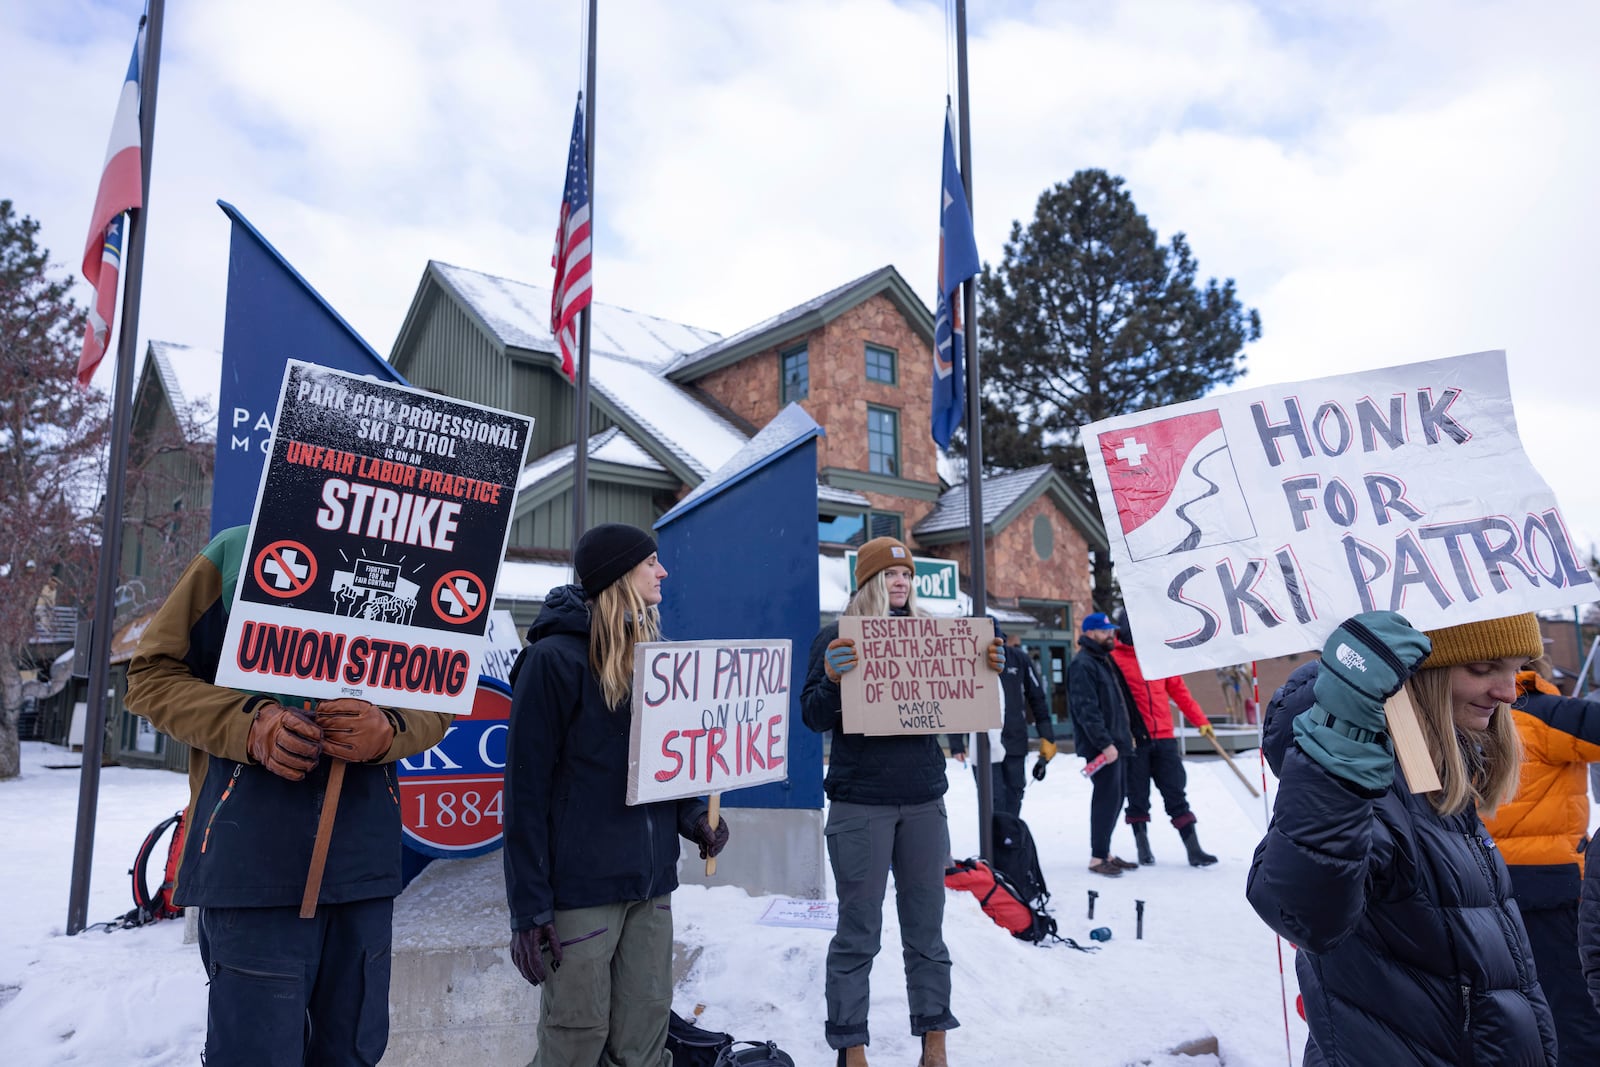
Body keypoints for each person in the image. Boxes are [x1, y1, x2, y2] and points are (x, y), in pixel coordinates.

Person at [124, 525, 453, 1066]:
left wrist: (392, 728)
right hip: (252, 862)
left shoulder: (418, 562)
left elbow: (443, 690)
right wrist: (249, 724)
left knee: (353, 1051)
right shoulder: (236, 551)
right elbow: (151, 676)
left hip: (362, 870)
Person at [1247, 611, 1557, 1065]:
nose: (1509, 692)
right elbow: (1304, 911)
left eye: (1515, 669)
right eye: (1482, 668)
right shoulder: (1371, 785)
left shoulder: (1436, 776)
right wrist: (1340, 755)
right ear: (1417, 672)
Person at [502, 523, 729, 1067]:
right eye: (652, 562)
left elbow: (668, 765)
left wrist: (697, 817)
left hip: (651, 888)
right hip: (580, 894)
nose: (663, 571)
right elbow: (524, 794)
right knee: (574, 1041)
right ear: (621, 573)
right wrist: (528, 911)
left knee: (643, 1040)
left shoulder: (659, 658)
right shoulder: (552, 660)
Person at [801, 536, 1002, 1067]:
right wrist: (830, 677)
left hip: (922, 803)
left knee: (927, 932)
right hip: (859, 805)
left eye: (907, 576)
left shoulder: (932, 638)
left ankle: (934, 1043)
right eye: (890, 576)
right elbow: (814, 718)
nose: (901, 583)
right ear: (869, 582)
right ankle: (852, 1049)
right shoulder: (834, 639)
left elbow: (966, 704)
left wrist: (984, 668)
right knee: (858, 933)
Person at [1479, 656, 1600, 1064]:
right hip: (1551, 884)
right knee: (1571, 1005)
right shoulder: (1545, 713)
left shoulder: (1460, 711)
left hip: (1480, 880)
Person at [1110, 608, 1217, 867]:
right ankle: (1143, 848)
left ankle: (1194, 850)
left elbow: (1179, 692)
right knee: (1137, 797)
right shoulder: (1112, 660)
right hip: (1136, 742)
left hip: (1165, 738)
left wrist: (1201, 722)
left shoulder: (1156, 657)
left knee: (1176, 792)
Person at [948, 619, 1058, 817]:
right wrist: (956, 742)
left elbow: (1037, 698)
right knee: (993, 799)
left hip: (1014, 739)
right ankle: (994, 844)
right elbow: (958, 703)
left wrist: (1047, 736)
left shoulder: (1018, 659)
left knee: (1014, 793)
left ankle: (1010, 843)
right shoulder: (966, 661)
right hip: (983, 743)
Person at [1066, 611, 1145, 877]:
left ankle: (1105, 852)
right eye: (1104, 631)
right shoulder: (1083, 664)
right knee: (1105, 799)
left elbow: (1121, 702)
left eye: (1111, 631)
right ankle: (1097, 857)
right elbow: (1086, 710)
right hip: (1102, 747)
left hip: (1117, 744)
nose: (1110, 635)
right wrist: (1104, 743)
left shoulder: (1103, 660)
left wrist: (1131, 733)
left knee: (1116, 798)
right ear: (1090, 633)